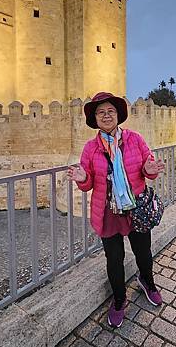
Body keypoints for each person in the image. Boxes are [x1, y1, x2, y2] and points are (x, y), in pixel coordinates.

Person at [67, 92, 165, 329]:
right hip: (108, 211)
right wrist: (82, 178)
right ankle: (119, 300)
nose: (106, 115)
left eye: (110, 111)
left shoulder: (135, 139)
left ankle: (147, 282)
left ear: (118, 115)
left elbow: (147, 167)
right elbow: (88, 183)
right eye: (101, 112)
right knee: (114, 259)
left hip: (136, 208)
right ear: (95, 119)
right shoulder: (90, 148)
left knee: (143, 252)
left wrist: (150, 169)